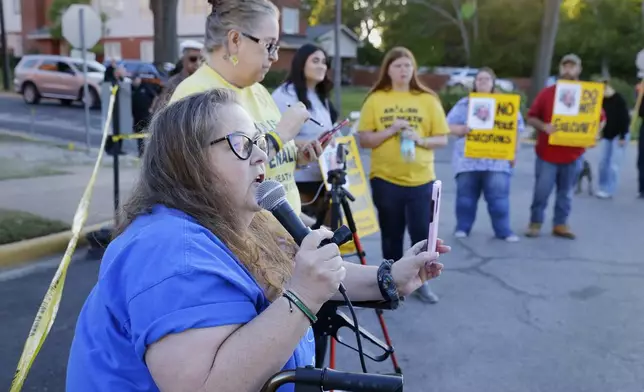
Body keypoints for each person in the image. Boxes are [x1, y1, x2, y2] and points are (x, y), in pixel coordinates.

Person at [65, 88, 450, 392]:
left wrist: (392, 277)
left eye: (260, 143)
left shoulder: (239, 221)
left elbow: (310, 271)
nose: (261, 156)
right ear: (187, 162)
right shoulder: (169, 251)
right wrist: (302, 296)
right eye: (242, 144)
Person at [169, 0, 322, 227]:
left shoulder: (257, 91)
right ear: (235, 41)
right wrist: (280, 136)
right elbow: (212, 183)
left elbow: (267, 171)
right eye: (269, 45)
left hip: (281, 237)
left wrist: (296, 155)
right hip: (241, 247)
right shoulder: (196, 96)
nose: (275, 57)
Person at [357, 46, 449, 304]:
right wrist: (392, 130)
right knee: (391, 234)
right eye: (397, 65)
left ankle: (422, 282)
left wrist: (419, 139)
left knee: (423, 236)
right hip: (386, 180)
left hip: (422, 180)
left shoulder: (427, 99)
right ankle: (392, 284)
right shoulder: (376, 99)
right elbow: (365, 140)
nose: (403, 70)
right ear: (388, 69)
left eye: (408, 65)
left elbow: (441, 139)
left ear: (414, 69)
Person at [525, 54, 605, 239]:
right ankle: (535, 223)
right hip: (547, 154)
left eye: (572, 66)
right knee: (542, 191)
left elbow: (600, 119)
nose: (568, 70)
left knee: (566, 193)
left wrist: (594, 134)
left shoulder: (588, 95)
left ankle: (560, 224)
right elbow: (531, 116)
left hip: (574, 154)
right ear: (560, 68)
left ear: (579, 69)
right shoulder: (548, 93)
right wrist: (544, 126)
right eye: (565, 66)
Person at [446, 67, 525, 242]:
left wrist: (514, 153)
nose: (482, 82)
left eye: (486, 79)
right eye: (479, 79)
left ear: (493, 83)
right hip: (467, 161)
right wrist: (461, 129)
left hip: (496, 162)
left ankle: (503, 231)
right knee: (465, 199)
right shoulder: (464, 104)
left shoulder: (505, 105)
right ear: (474, 83)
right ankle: (462, 228)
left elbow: (516, 130)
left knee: (499, 199)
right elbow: (447, 125)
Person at [271, 43, 338, 225]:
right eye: (315, 61)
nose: (321, 66)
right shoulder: (285, 95)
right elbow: (275, 135)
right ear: (301, 64)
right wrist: (308, 142)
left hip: (322, 177)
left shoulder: (319, 95)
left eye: (324, 62)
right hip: (297, 180)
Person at [595, 77, 630, 199]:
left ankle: (609, 189)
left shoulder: (618, 99)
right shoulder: (600, 100)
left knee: (614, 165)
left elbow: (624, 118)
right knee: (603, 162)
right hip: (607, 134)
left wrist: (622, 136)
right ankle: (602, 186)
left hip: (619, 134)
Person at [150, 40, 205, 114]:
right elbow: (159, 110)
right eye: (193, 59)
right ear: (183, 60)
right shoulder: (174, 83)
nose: (198, 63)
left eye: (201, 59)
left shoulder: (205, 81)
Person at [130, 75, 157, 157]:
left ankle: (151, 153)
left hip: (146, 115)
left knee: (149, 134)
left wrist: (152, 108)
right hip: (136, 116)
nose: (135, 82)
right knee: (139, 135)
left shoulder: (146, 87)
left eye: (136, 80)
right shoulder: (132, 89)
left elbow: (155, 97)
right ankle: (141, 153)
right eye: (134, 80)